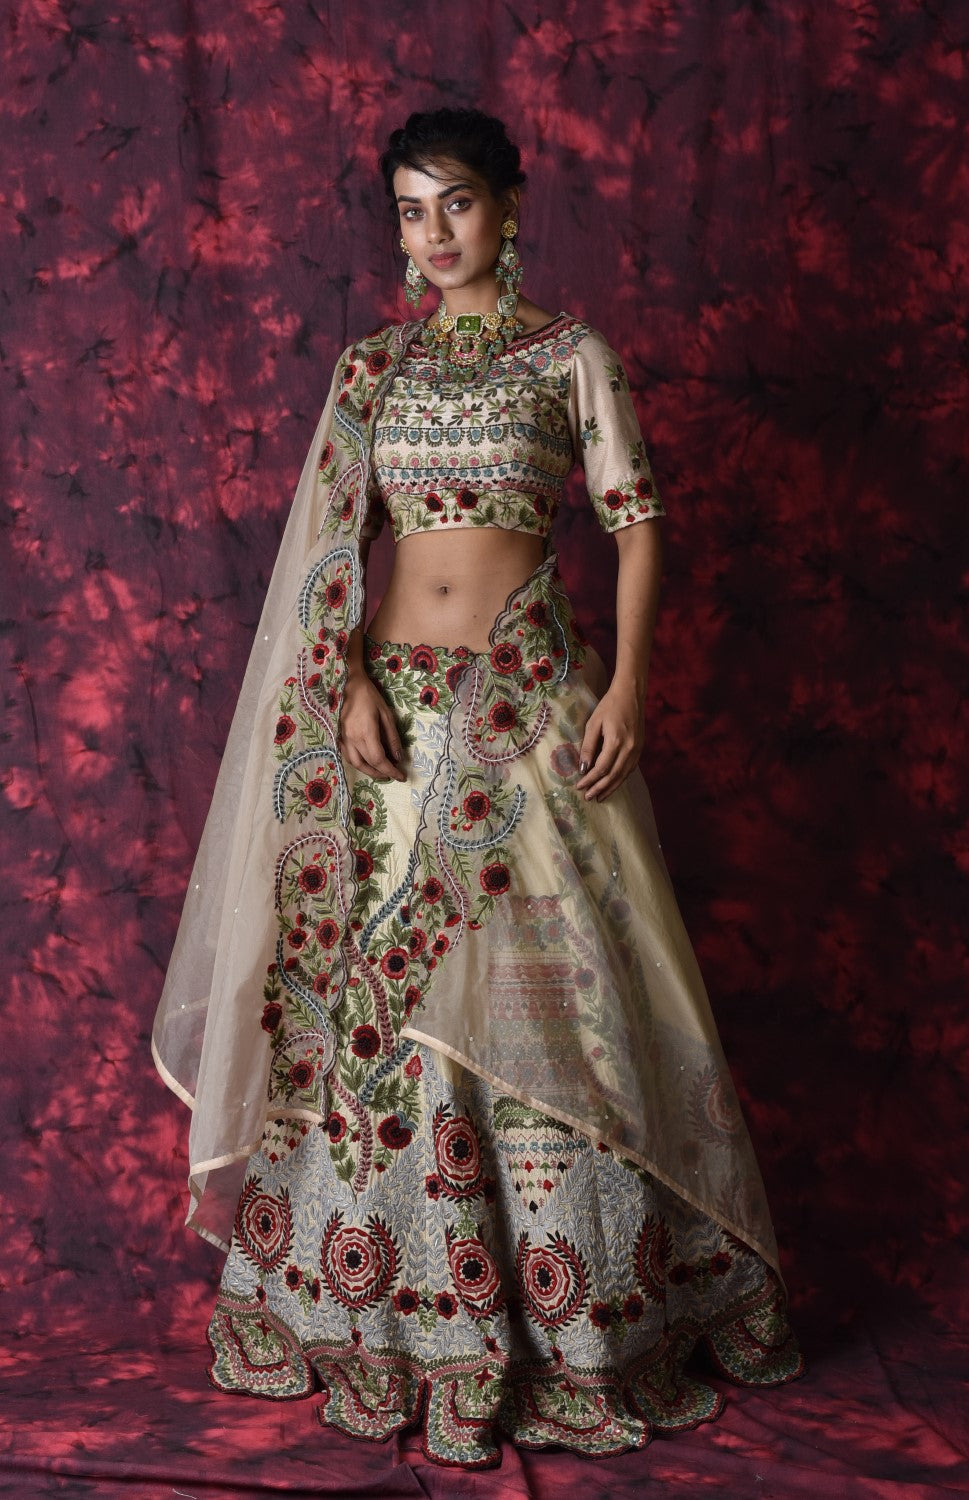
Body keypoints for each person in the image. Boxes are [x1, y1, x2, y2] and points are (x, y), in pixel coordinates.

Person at [152, 107, 804, 1471]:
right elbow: (330, 547)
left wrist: (629, 687)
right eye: (409, 209)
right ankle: (395, 1320)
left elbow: (637, 525)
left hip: (526, 717)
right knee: (383, 1020)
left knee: (551, 1012)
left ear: (508, 206)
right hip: (388, 728)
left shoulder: (571, 358)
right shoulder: (371, 368)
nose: (433, 232)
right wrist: (344, 681)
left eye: (454, 202)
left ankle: (580, 1327)